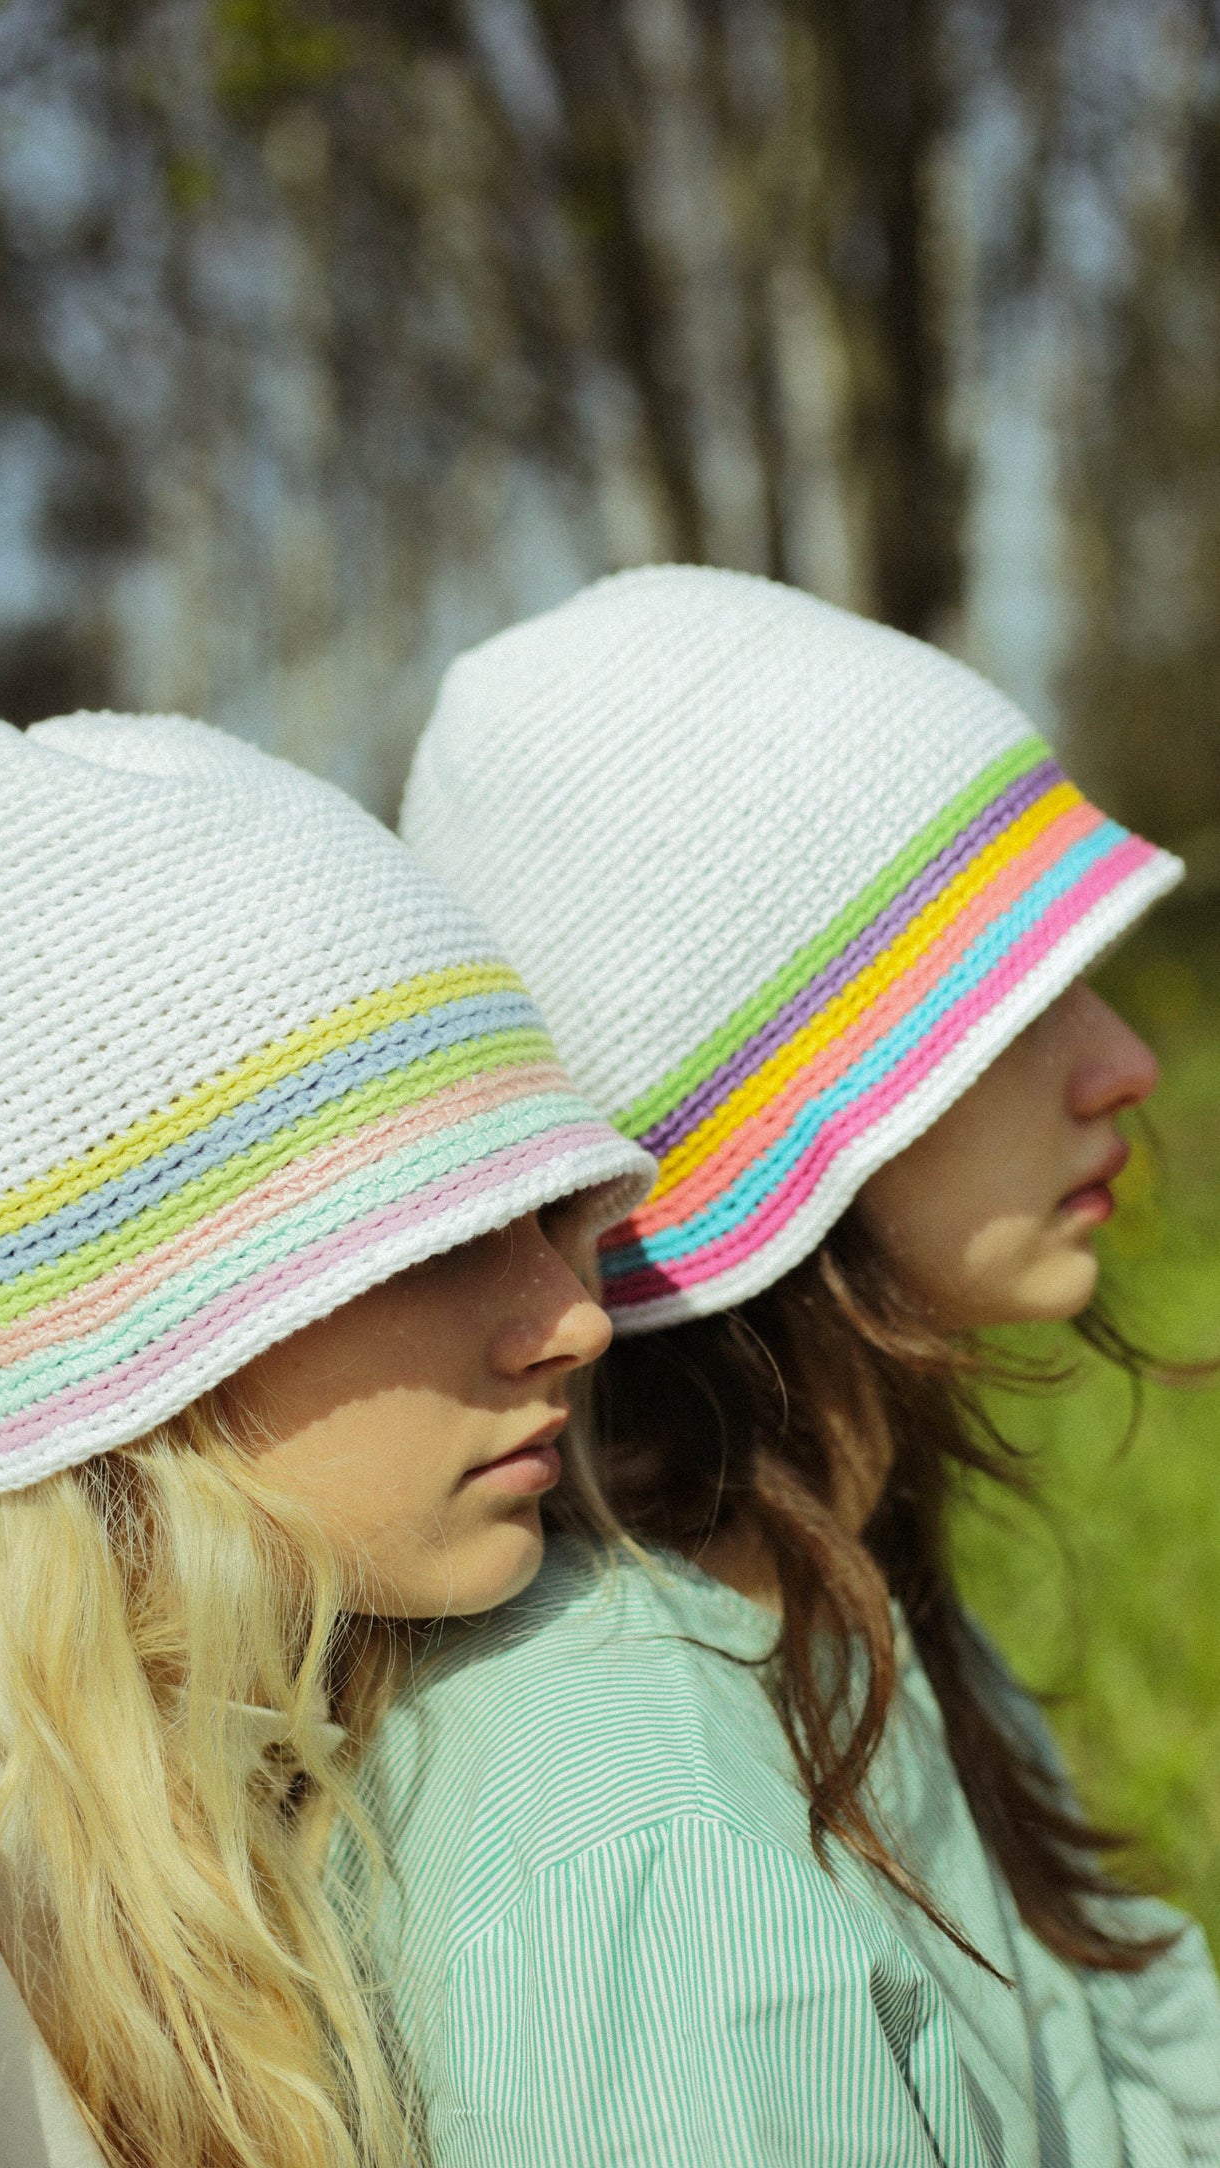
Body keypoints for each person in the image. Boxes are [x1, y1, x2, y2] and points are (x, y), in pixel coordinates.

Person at [359, 568, 1220, 2165]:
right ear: (777, 1118)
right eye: (1014, 1000)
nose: (1121, 1063)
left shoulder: (833, 1596)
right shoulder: (643, 1835)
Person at [0, 711, 652, 2168]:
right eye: (441, 1242)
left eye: (557, 1223)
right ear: (146, 1335)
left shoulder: (293, 1719)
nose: (576, 1321)